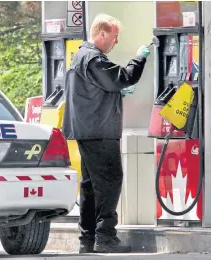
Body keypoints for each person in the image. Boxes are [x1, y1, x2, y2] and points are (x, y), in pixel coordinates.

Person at [62, 13, 151, 254]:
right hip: (99, 131)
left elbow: (98, 91)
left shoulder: (81, 56)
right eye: (114, 37)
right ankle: (106, 237)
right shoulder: (93, 57)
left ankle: (87, 240)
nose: (116, 42)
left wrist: (118, 93)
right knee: (110, 181)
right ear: (101, 34)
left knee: (91, 186)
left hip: (88, 129)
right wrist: (139, 59)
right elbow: (121, 78)